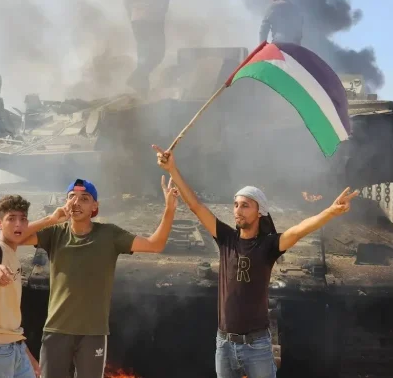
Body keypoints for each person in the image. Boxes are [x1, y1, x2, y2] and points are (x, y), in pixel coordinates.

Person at [151, 144, 359, 378]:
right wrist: (173, 170)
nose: (238, 210)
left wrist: (331, 211)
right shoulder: (226, 238)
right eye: (236, 204)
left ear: (260, 212)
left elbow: (299, 230)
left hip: (257, 347)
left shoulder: (269, 245)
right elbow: (196, 206)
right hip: (224, 344)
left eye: (245, 205)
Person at [19, 176, 179, 378]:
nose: (76, 203)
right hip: (57, 330)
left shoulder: (109, 235)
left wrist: (170, 210)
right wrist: (51, 219)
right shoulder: (55, 233)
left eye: (84, 198)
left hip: (93, 333)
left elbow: (155, 245)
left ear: (95, 206)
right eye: (72, 197)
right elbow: (14, 237)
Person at [0, 195, 67, 378]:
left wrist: (52, 219)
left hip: (15, 347)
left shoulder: (12, 253)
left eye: (23, 219)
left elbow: (21, 232)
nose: (18, 224)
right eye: (11, 219)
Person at [124, 0, 171, 96]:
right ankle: (136, 78)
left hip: (136, 18)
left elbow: (127, 0)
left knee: (143, 55)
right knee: (158, 53)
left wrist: (132, 16)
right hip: (152, 17)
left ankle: (142, 90)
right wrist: (163, 10)